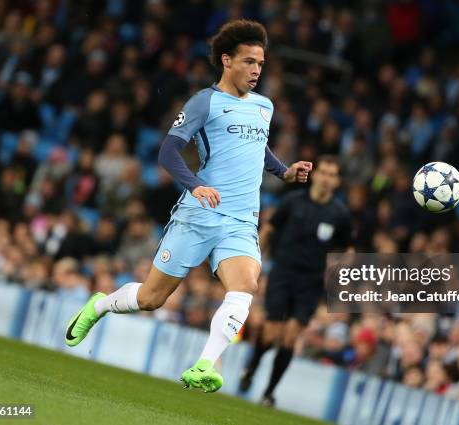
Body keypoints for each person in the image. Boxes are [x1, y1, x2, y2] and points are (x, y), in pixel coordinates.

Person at [63, 20, 313, 394]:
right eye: (248, 61)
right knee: (151, 299)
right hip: (198, 215)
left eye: (260, 63)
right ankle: (99, 306)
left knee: (245, 286)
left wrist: (284, 172)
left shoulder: (264, 107)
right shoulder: (204, 102)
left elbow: (255, 145)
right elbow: (167, 151)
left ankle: (205, 365)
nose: (257, 70)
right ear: (226, 61)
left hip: (241, 220)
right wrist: (195, 186)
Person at [239, 156, 353, 406]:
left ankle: (269, 392)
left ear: (337, 181)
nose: (326, 178)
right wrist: (254, 261)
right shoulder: (293, 201)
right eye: (323, 172)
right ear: (316, 174)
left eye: (332, 175)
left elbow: (347, 250)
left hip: (311, 281)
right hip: (282, 273)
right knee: (271, 334)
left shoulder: (340, 214)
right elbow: (269, 229)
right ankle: (252, 368)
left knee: (290, 337)